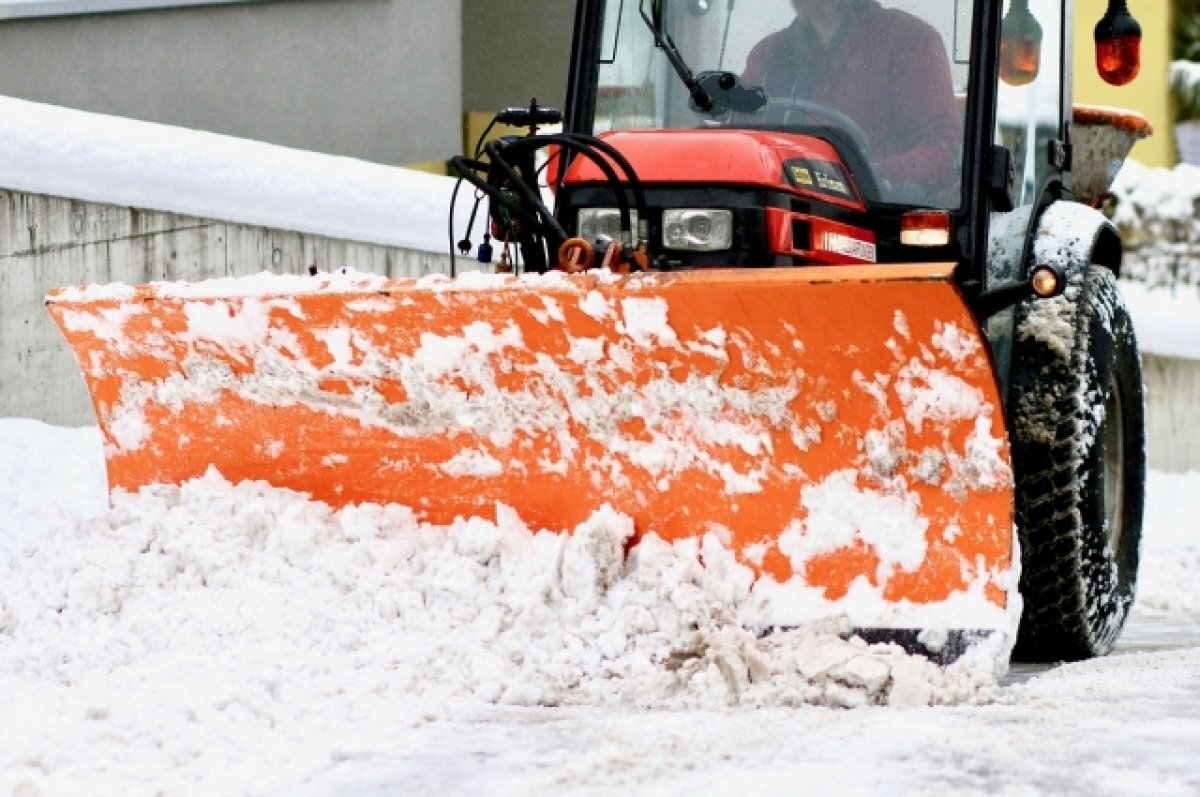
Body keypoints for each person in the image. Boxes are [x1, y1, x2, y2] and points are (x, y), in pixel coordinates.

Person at [742, 0, 962, 201]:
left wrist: (869, 175)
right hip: (779, 211)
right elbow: (741, 143)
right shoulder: (769, 55)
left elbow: (943, 148)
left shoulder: (909, 41)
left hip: (874, 220)